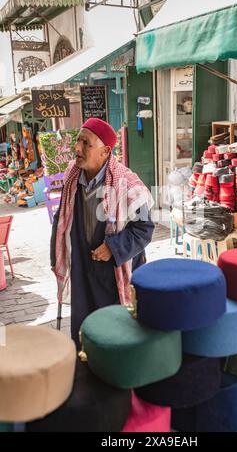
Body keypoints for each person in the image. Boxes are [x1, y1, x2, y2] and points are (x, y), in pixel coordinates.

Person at [51, 118, 154, 348]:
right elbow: (61, 218)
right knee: (83, 334)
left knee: (115, 334)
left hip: (113, 272)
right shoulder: (72, 177)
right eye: (78, 140)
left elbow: (145, 229)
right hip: (81, 267)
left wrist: (113, 247)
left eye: (86, 143)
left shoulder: (126, 184)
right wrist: (56, 255)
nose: (77, 147)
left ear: (105, 151)